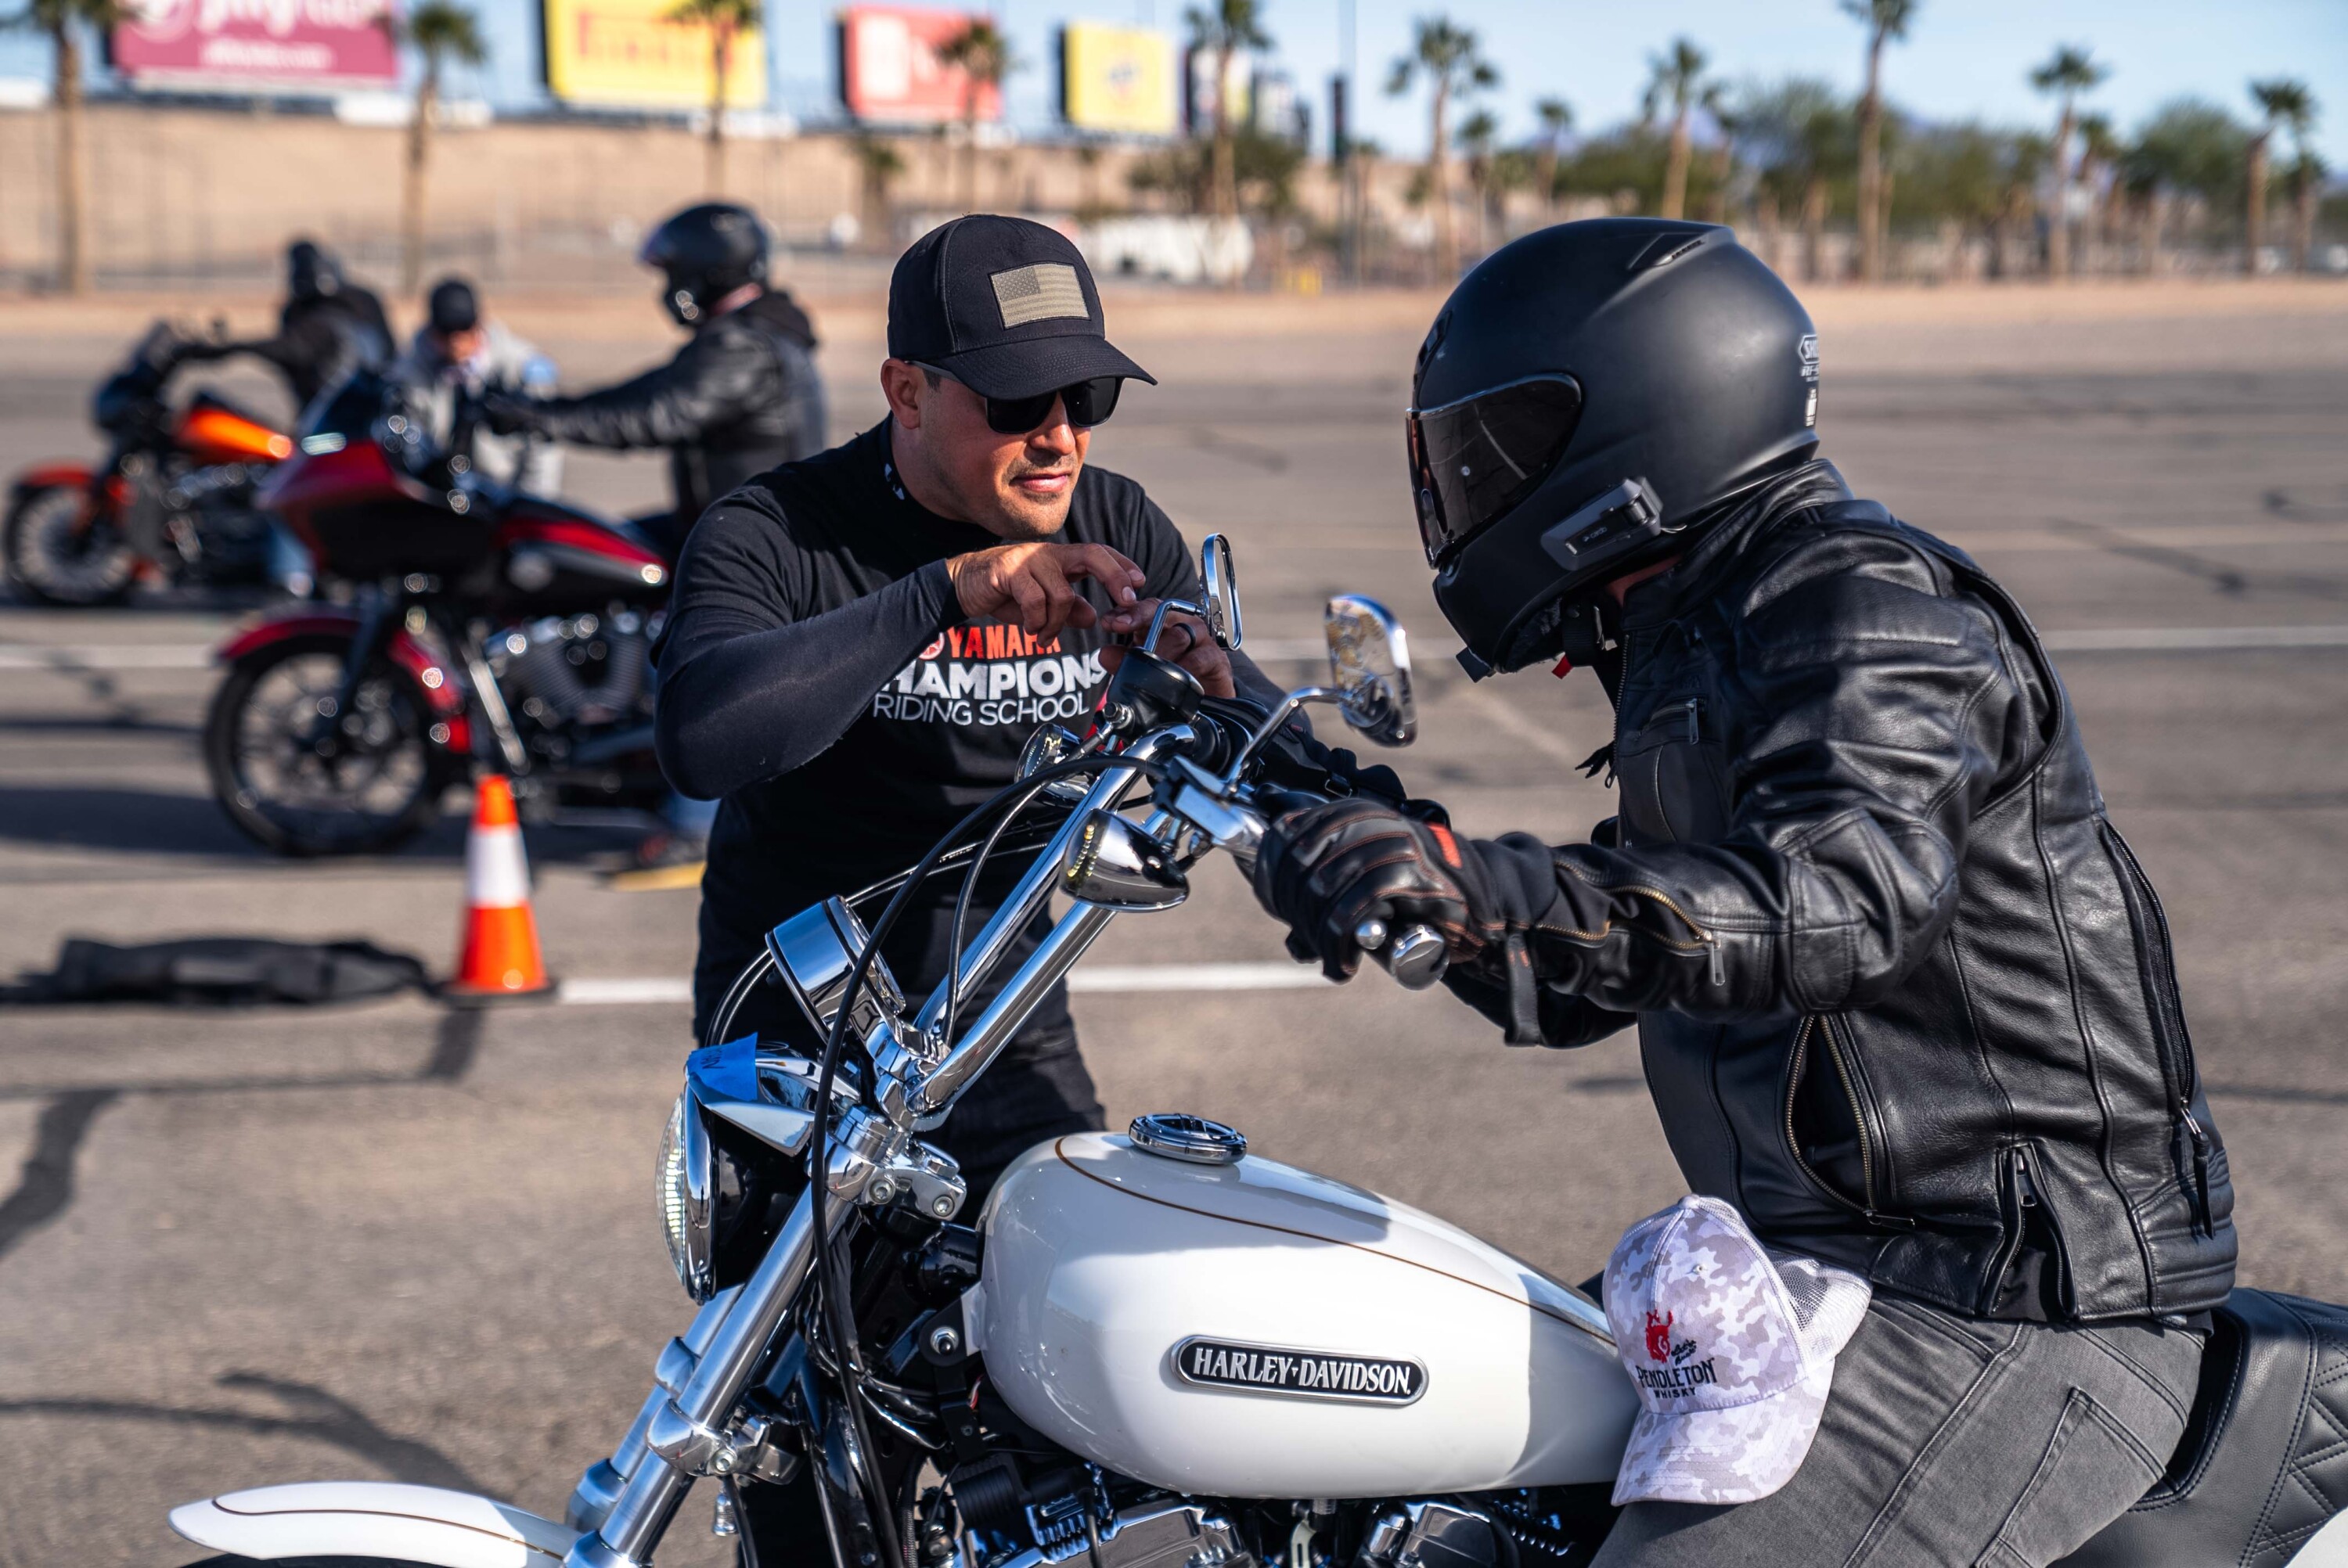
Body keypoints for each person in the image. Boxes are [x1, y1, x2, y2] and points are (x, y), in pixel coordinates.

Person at [1248, 218, 2235, 1568]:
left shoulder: (1861, 604)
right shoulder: (1704, 619)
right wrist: (1298, 778)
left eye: (1494, 447)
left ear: (1646, 421)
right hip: (1819, 1266)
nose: (1466, 489)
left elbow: (1830, 903)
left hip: (2000, 1301)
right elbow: (1603, 956)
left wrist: (1490, 887)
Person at [652, 214, 1298, 1204]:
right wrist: (944, 591)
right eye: (1012, 399)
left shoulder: (1114, 524)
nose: (1059, 436)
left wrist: (1352, 808)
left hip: (1003, 1013)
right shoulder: (777, 529)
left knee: (1061, 1316)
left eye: (1086, 396)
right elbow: (704, 741)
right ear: (906, 392)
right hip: (795, 1021)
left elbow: (1259, 732)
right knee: (801, 1346)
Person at [483, 202, 827, 562]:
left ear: (707, 271)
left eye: (673, 273)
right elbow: (647, 392)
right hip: (735, 527)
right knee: (588, 544)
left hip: (759, 551)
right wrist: (541, 409)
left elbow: (658, 416)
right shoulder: (747, 333)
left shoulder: (744, 348)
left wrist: (539, 421)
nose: (668, 287)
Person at [386, 276, 562, 494]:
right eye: (446, 333)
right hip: (440, 493)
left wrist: (533, 506)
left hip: (505, 489)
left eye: (464, 330)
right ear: (432, 330)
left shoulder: (519, 367)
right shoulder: (409, 370)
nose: (456, 342)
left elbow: (542, 444)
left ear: (478, 325)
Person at [235, 239, 394, 410]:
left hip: (362, 406)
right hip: (323, 413)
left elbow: (390, 353)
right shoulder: (295, 311)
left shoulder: (358, 302)